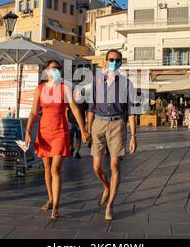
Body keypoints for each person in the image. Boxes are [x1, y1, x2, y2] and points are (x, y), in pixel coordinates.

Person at [24, 60, 88, 220]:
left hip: (60, 131)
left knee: (55, 169)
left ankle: (56, 208)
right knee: (46, 169)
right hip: (44, 132)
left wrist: (83, 129)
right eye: (53, 69)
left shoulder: (64, 88)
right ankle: (51, 199)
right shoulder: (40, 89)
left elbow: (74, 108)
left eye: (58, 69)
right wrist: (27, 131)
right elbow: (33, 111)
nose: (56, 71)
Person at [86, 49, 137, 221]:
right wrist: (87, 127)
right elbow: (91, 107)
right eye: (111, 59)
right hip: (98, 124)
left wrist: (133, 136)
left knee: (114, 165)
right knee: (96, 167)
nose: (114, 62)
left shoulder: (126, 83)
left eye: (117, 60)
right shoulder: (96, 81)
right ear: (106, 62)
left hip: (117, 124)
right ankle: (106, 187)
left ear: (121, 63)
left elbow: (131, 111)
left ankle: (110, 206)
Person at [68, 87, 88, 159]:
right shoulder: (72, 100)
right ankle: (71, 147)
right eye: (77, 92)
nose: (79, 93)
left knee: (78, 137)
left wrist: (87, 122)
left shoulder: (84, 102)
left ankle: (77, 152)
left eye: (80, 92)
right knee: (70, 136)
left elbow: (87, 112)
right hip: (71, 121)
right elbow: (66, 109)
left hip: (80, 123)